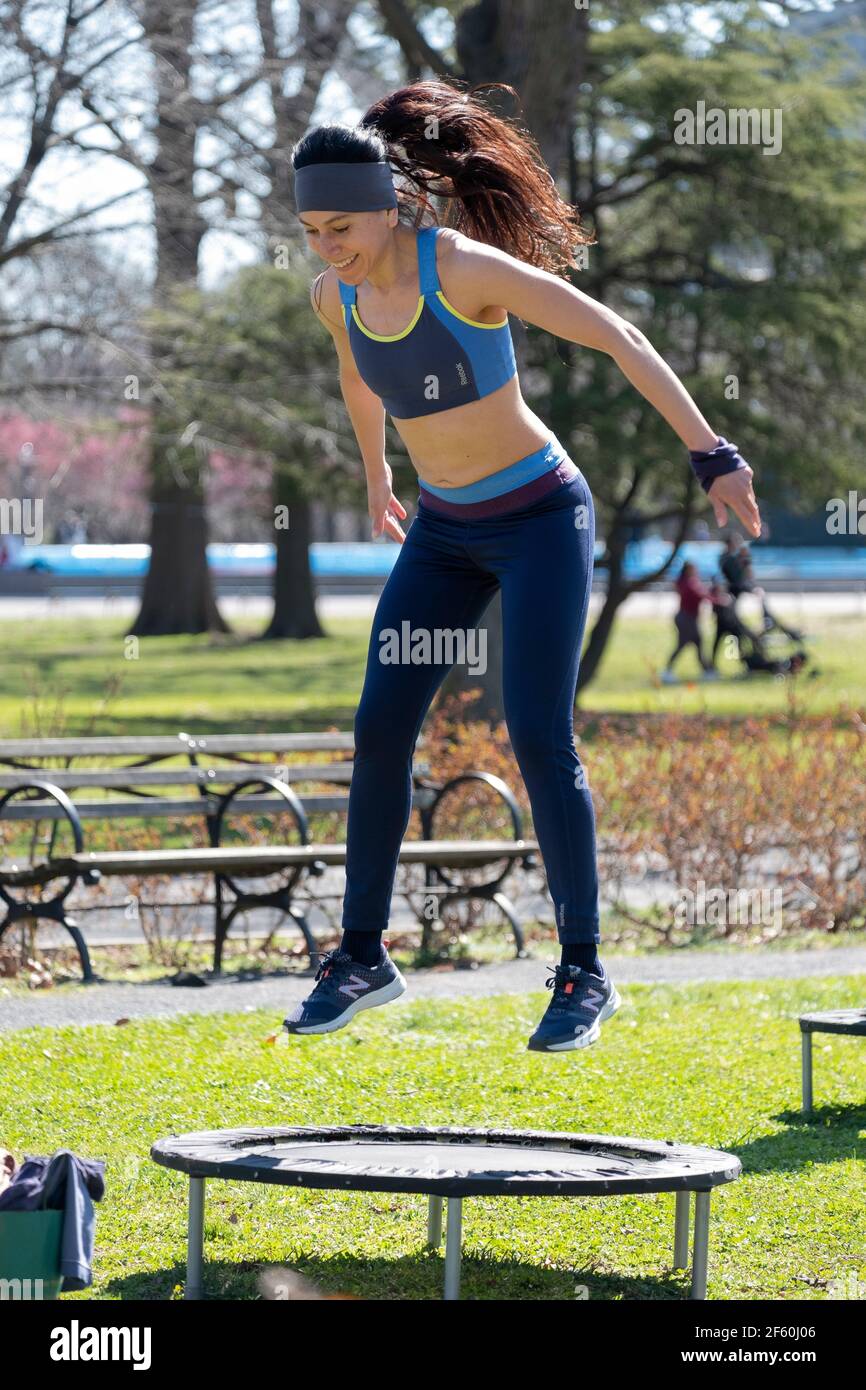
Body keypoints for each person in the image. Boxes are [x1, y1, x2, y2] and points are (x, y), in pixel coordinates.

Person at [282, 78, 762, 1054]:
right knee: (380, 725)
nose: (325, 246)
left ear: (385, 206)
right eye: (310, 231)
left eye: (339, 226)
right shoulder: (332, 295)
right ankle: (363, 956)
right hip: (444, 532)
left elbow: (617, 335)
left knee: (537, 733)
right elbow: (354, 372)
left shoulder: (461, 269)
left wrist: (710, 453)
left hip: (540, 514)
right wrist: (376, 470)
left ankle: (582, 970)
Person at [660, 561, 717, 682]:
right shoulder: (689, 583)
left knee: (698, 643)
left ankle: (707, 670)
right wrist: (719, 600)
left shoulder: (686, 582)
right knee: (683, 644)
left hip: (687, 618)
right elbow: (701, 595)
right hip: (687, 619)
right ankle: (667, 671)